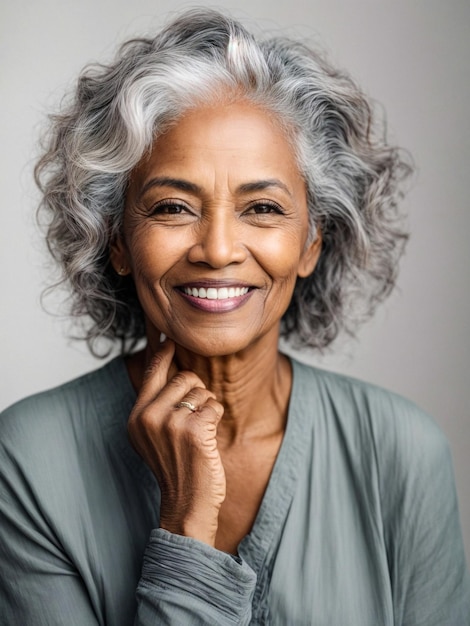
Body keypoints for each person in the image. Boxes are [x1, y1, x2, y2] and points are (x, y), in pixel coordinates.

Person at [0, 8, 468, 625]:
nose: (218, 249)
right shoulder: (30, 459)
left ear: (311, 244)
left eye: (264, 209)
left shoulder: (402, 452)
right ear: (116, 238)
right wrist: (187, 525)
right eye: (172, 206)